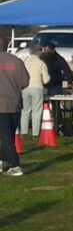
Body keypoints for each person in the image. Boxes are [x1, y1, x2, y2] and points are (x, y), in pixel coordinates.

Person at [0, 39, 30, 176]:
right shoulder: (16, 61)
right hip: (15, 102)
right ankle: (3, 159)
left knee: (5, 136)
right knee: (9, 135)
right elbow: (25, 81)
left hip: (1, 104)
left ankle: (14, 164)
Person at [20, 47, 50, 137]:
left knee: (25, 111)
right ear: (39, 53)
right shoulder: (41, 63)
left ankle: (24, 132)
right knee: (36, 111)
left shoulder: (24, 61)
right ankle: (35, 133)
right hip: (37, 87)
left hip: (24, 88)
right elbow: (46, 80)